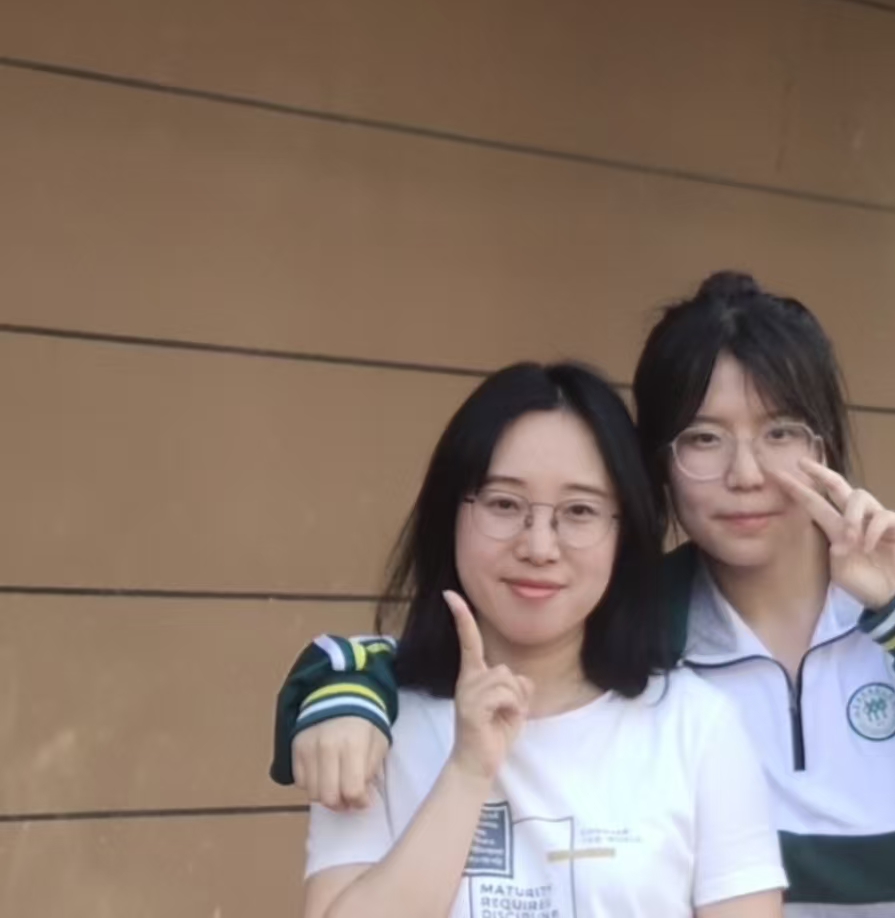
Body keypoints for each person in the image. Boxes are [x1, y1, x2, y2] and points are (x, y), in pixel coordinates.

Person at [277, 273, 895, 918]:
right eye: (703, 439)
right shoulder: (635, 618)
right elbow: (477, 649)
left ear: (827, 445)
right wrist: (343, 685)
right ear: (654, 467)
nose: (746, 474)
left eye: (781, 432)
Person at [299, 361, 787, 918]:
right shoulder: (373, 725)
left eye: (579, 511)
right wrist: (467, 771)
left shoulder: (697, 728)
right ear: (448, 513)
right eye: (504, 504)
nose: (539, 546)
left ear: (624, 534)